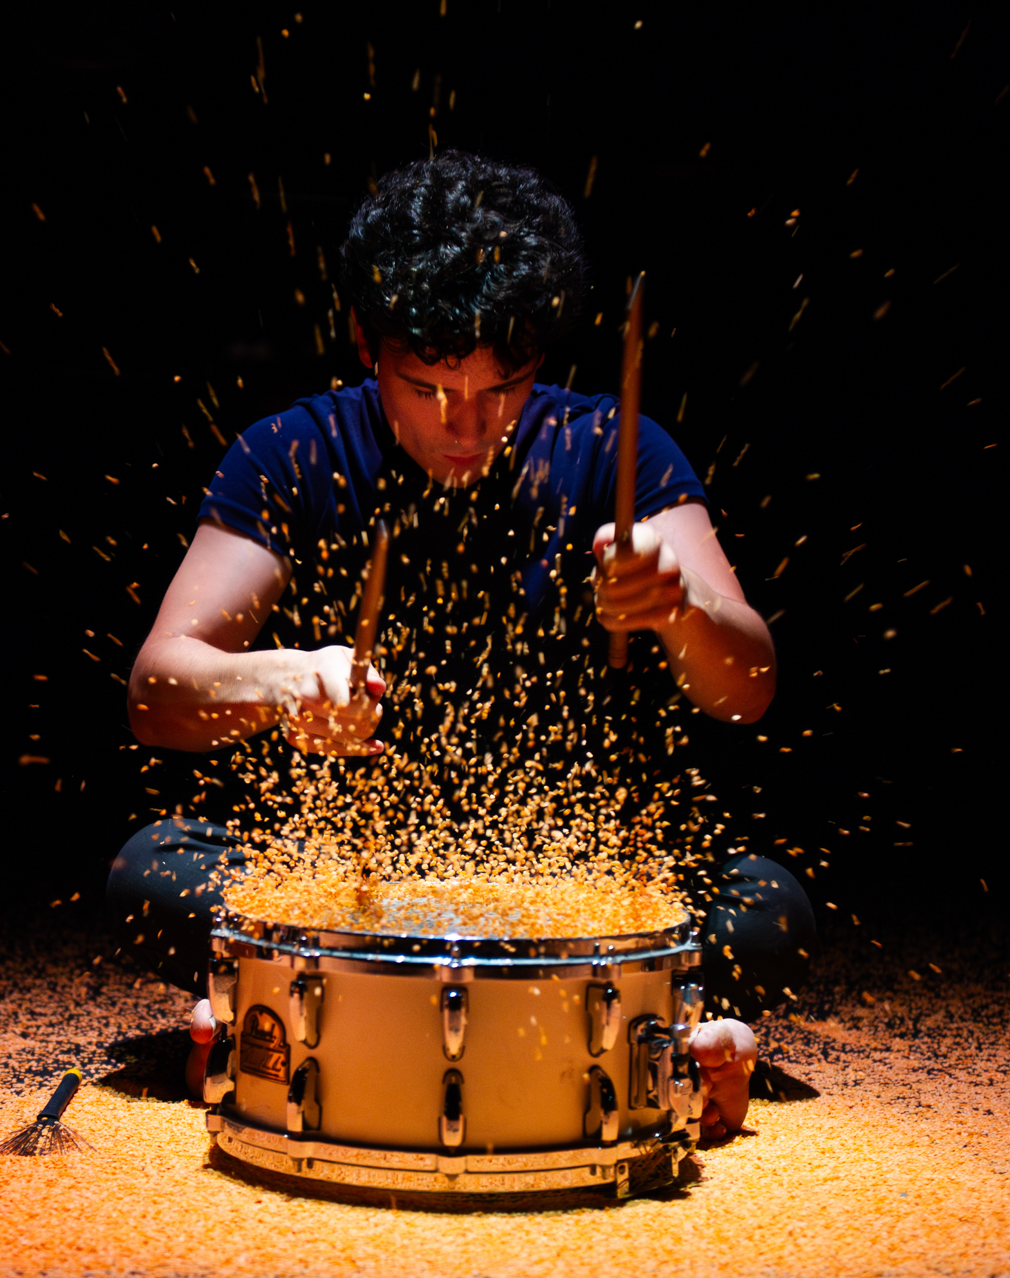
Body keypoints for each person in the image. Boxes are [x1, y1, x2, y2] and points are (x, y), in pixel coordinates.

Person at [109, 151, 813, 1142]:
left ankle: (257, 1026)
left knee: (768, 902)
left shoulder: (616, 448)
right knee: (153, 866)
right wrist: (283, 679)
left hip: (576, 887)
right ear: (364, 341)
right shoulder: (291, 452)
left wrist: (680, 603)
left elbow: (750, 688)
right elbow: (156, 690)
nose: (468, 426)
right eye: (429, 387)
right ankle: (671, 1038)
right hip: (346, 879)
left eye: (504, 387)